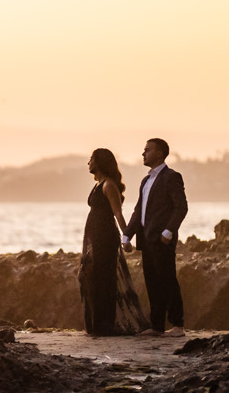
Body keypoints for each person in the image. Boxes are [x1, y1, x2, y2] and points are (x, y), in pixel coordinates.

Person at [124, 137, 189, 335]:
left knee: (167, 280)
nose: (143, 153)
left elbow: (181, 207)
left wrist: (168, 232)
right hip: (146, 239)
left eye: (147, 150)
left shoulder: (171, 176)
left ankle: (178, 325)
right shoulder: (145, 180)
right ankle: (157, 326)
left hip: (162, 239)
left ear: (159, 153)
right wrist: (127, 236)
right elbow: (138, 211)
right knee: (152, 283)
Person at [80, 147, 146, 336]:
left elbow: (118, 213)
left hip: (105, 237)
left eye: (91, 159)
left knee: (104, 279)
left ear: (100, 162)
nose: (88, 162)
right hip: (95, 236)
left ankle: (105, 324)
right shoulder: (98, 184)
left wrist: (126, 238)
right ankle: (97, 323)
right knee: (91, 277)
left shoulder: (109, 185)